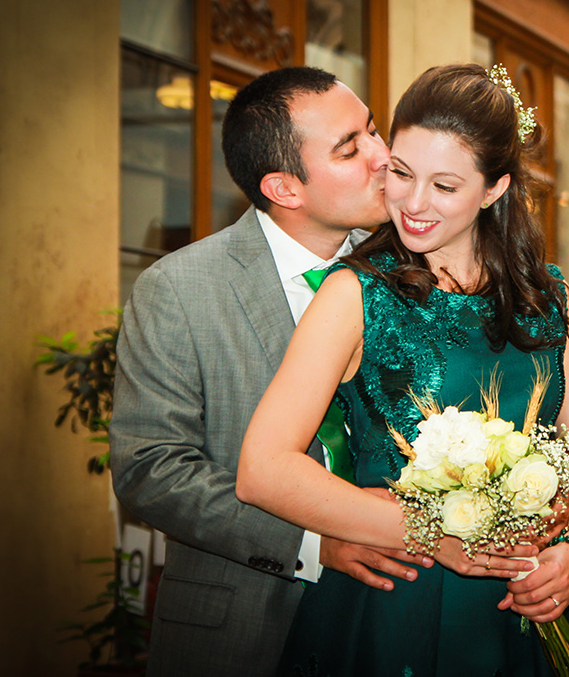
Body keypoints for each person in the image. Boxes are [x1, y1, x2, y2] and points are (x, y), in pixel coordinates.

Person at [236, 63, 569, 676]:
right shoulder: (355, 293)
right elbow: (262, 470)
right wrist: (426, 530)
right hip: (396, 602)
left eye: (445, 186)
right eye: (402, 173)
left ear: (494, 189)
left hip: (520, 606)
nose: (412, 204)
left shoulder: (550, 300)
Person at [110, 67, 432, 677]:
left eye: (372, 130)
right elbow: (151, 469)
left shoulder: (412, 271)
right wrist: (315, 545)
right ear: (285, 188)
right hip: (239, 628)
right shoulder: (178, 290)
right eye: (351, 147)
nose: (383, 157)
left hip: (393, 614)